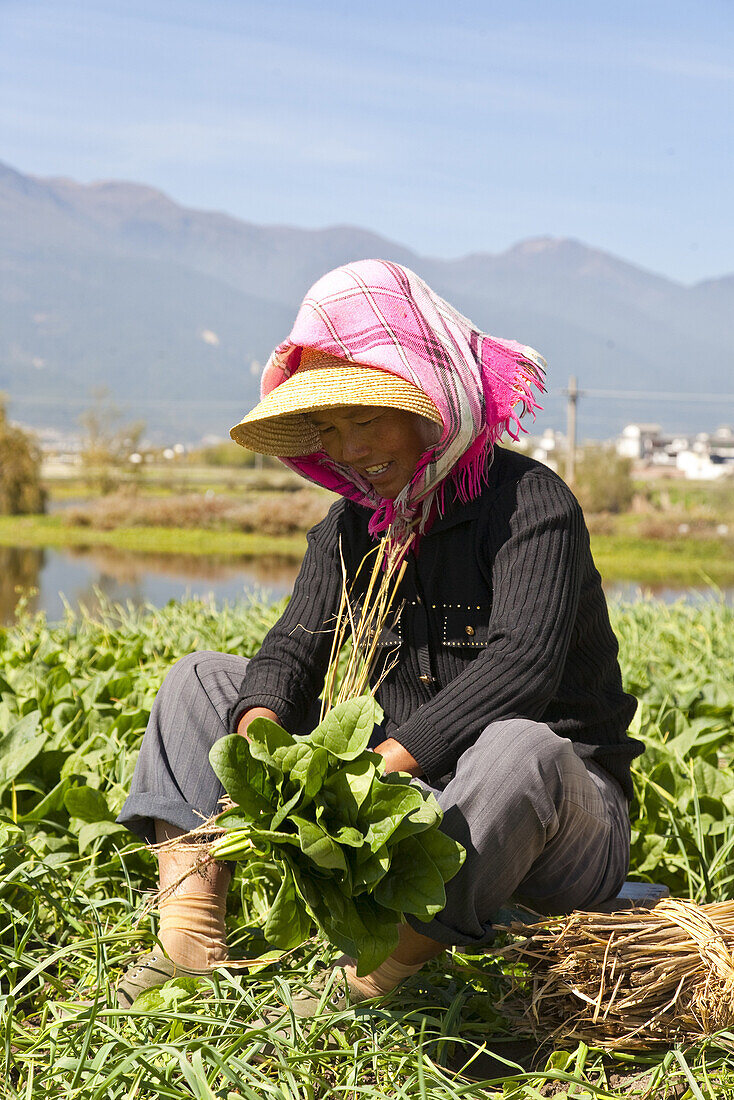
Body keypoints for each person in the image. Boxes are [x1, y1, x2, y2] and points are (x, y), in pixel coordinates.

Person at [116, 259, 642, 1010]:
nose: (352, 449)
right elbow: (294, 647)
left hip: (556, 819)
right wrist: (264, 743)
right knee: (200, 680)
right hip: (409, 804)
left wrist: (376, 768)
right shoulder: (352, 525)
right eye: (331, 430)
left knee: (520, 747)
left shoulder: (531, 505)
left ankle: (374, 976)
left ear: (428, 406)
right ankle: (189, 935)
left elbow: (520, 668)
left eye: (366, 419)